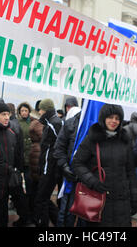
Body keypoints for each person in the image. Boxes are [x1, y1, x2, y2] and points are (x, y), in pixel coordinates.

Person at [73, 104, 137, 227]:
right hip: (99, 199)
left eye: (117, 118)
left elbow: (130, 170)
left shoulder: (125, 140)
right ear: (103, 118)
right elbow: (77, 163)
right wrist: (92, 181)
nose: (114, 121)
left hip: (122, 201)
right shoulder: (92, 139)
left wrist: (134, 196)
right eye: (110, 117)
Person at [33, 98, 63, 227]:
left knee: (41, 199)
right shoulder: (53, 122)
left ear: (44, 109)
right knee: (44, 199)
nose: (39, 112)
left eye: (40, 109)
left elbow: (59, 146)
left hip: (50, 168)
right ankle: (56, 222)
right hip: (51, 167)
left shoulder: (54, 123)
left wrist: (46, 168)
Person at [53, 96, 81, 227]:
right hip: (68, 175)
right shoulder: (69, 124)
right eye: (67, 106)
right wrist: (64, 166)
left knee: (75, 209)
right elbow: (58, 148)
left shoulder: (88, 125)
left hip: (82, 177)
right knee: (65, 207)